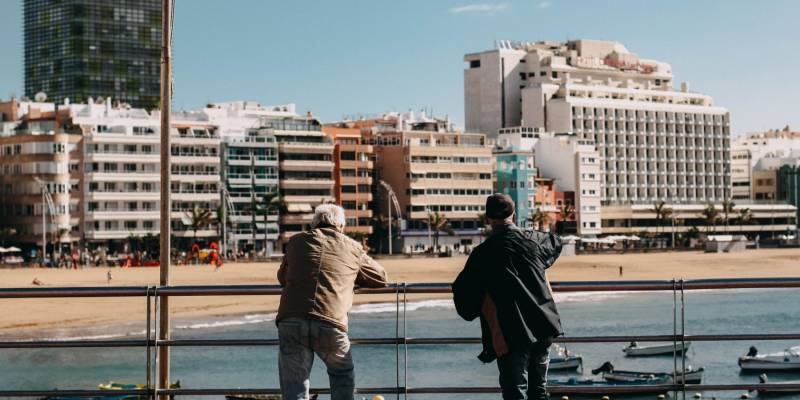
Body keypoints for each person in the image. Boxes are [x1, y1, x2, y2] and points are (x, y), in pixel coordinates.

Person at [452, 194, 563, 400]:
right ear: (514, 214)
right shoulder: (535, 240)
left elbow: (463, 294)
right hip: (544, 323)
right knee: (539, 391)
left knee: (514, 391)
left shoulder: (482, 254)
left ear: (488, 218)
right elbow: (556, 243)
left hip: (511, 330)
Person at [276, 204, 388, 400]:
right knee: (341, 375)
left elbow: (283, 277)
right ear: (341, 226)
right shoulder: (353, 248)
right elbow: (381, 277)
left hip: (292, 319)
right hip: (330, 321)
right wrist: (350, 278)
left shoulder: (296, 242)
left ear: (314, 224)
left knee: (294, 385)